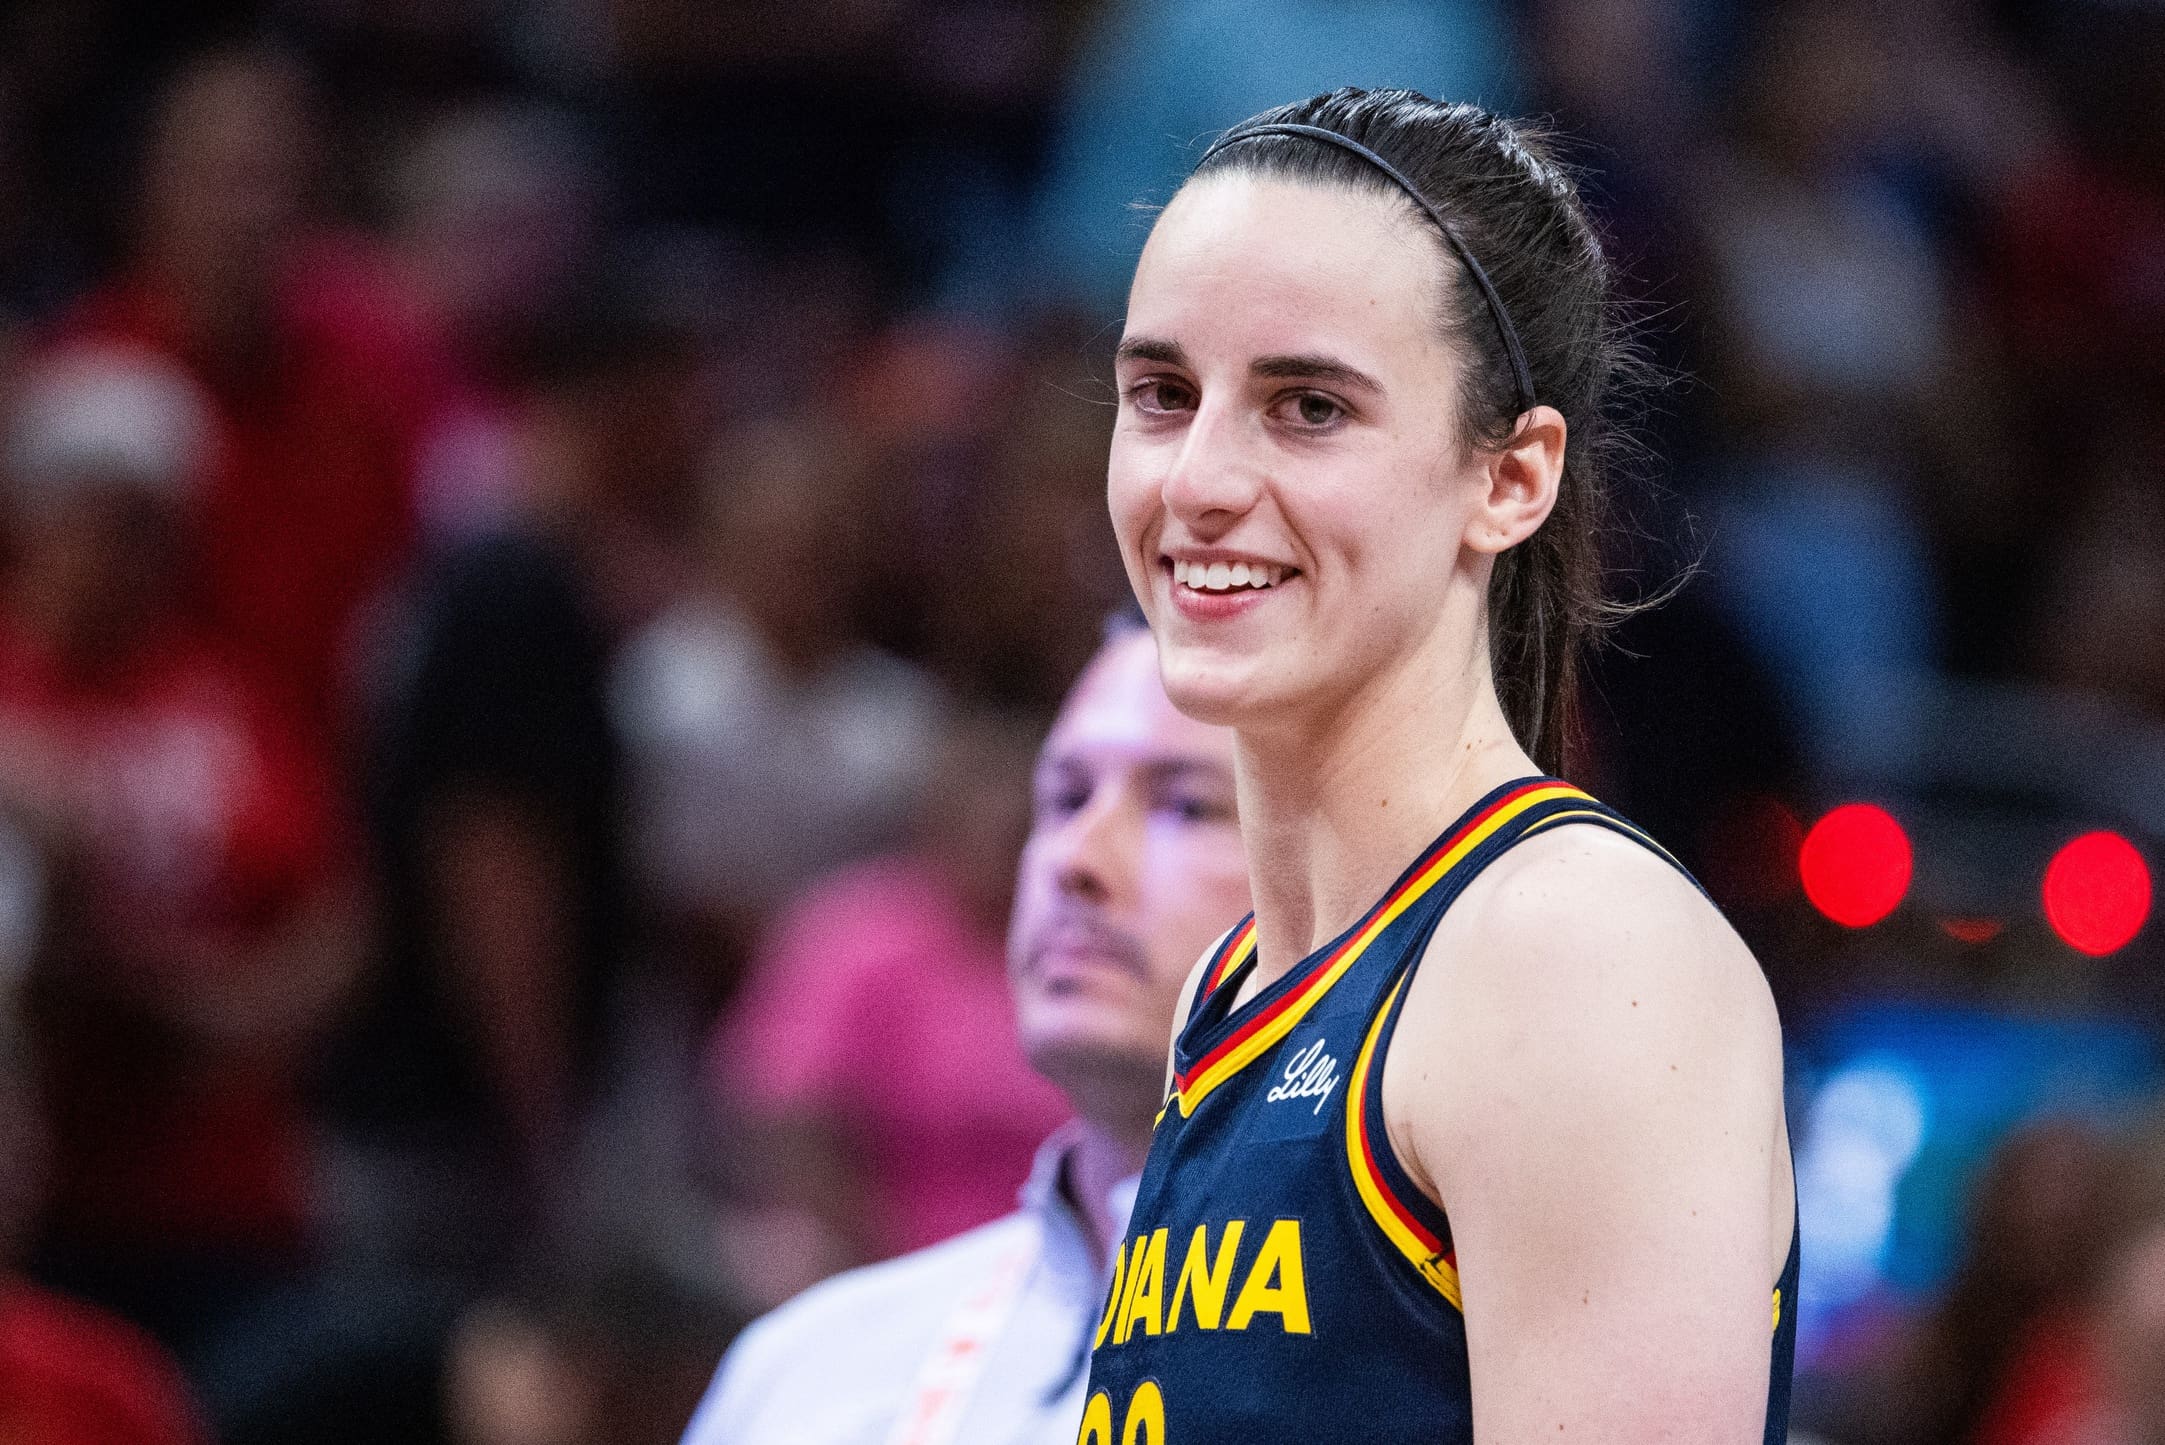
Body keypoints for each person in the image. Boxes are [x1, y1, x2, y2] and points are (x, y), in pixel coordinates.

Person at [1082, 87, 1796, 1444]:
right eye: (1162, 395)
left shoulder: (1573, 952)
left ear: (1511, 478)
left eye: (1306, 407)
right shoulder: (1228, 990)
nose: (1199, 480)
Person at [680, 614, 1250, 1444]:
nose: (1073, 856)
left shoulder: (1429, 1369)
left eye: (1186, 806)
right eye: (1062, 797)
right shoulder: (808, 1375)